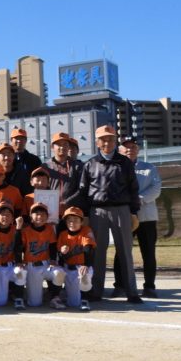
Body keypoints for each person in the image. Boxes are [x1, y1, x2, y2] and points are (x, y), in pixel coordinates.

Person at [67, 125, 142, 305]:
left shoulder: (125, 163)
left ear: (115, 141)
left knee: (125, 252)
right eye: (103, 139)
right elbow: (83, 191)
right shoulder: (90, 164)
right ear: (97, 142)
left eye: (110, 139)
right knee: (97, 252)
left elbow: (133, 188)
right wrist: (70, 205)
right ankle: (96, 291)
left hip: (121, 209)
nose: (107, 142)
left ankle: (131, 292)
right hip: (97, 211)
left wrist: (133, 212)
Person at [113, 138, 162, 298]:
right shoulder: (115, 167)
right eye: (126, 147)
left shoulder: (149, 168)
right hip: (125, 215)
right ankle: (120, 285)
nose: (130, 150)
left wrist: (138, 199)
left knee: (148, 252)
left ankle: (149, 286)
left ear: (138, 150)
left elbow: (156, 188)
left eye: (133, 147)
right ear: (119, 150)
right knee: (122, 251)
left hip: (146, 217)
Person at [15, 203, 63, 308]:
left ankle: (55, 298)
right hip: (31, 265)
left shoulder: (50, 228)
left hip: (46, 264)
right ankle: (26, 295)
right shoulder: (26, 231)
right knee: (35, 303)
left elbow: (52, 246)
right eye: (36, 214)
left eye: (43, 214)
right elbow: (18, 247)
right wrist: (18, 229)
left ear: (47, 217)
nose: (40, 216)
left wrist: (53, 260)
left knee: (59, 272)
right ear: (31, 216)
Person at [52, 206, 95, 311]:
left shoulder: (86, 230)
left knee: (84, 275)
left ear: (81, 221)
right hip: (69, 268)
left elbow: (88, 249)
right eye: (69, 220)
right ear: (66, 222)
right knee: (73, 303)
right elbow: (61, 257)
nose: (72, 223)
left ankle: (85, 299)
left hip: (82, 266)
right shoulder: (63, 235)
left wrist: (86, 264)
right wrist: (62, 252)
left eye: (76, 220)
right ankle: (64, 294)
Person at [44, 131, 82, 216]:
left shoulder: (78, 166)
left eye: (65, 144)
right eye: (59, 144)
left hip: (72, 211)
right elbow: (42, 188)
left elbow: (81, 189)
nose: (62, 147)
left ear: (69, 147)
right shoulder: (45, 167)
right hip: (50, 211)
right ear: (52, 147)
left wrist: (67, 202)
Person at [7, 127, 42, 195]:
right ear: (11, 140)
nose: (19, 141)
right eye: (16, 138)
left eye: (22, 138)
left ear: (26, 141)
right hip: (11, 197)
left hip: (29, 196)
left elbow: (40, 179)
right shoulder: (7, 160)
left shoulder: (34, 160)